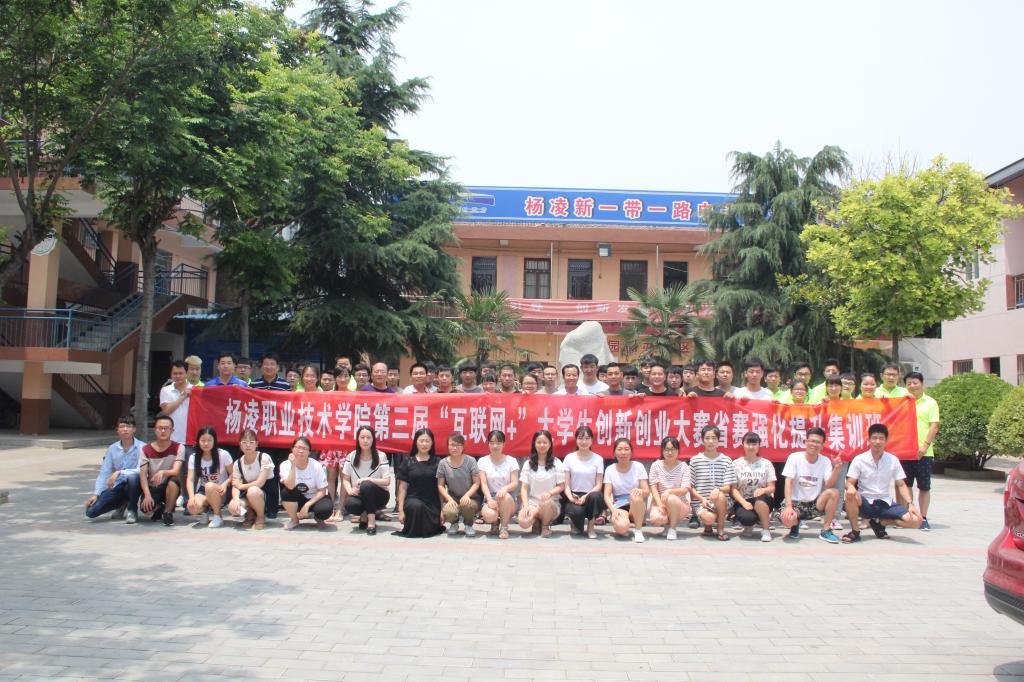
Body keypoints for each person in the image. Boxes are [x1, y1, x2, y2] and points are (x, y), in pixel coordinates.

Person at [843, 423, 924, 542]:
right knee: (850, 495)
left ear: (886, 441)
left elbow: (901, 484)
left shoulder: (893, 460)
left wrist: (910, 504)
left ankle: (881, 523)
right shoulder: (859, 459)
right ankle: (855, 531)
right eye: (874, 438)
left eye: (881, 438)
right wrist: (850, 487)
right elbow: (849, 482)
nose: (877, 441)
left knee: (916, 521)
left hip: (885, 503)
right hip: (865, 502)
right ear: (869, 440)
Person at [780, 427, 843, 543]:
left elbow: (829, 484)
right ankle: (795, 525)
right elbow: (788, 482)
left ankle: (825, 530)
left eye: (818, 442)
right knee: (787, 520)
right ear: (806, 442)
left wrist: (837, 469)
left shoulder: (825, 461)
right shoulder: (794, 457)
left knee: (834, 492)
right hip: (795, 503)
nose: (814, 444)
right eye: (812, 441)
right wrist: (788, 506)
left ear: (822, 445)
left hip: (814, 504)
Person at [85, 415, 145, 523]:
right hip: (118, 486)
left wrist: (119, 472)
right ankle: (122, 503)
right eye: (122, 427)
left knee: (132, 478)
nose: (125, 429)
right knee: (91, 511)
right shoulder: (112, 449)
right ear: (117, 430)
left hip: (137, 485)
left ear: (134, 429)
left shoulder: (142, 447)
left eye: (128, 426)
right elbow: (104, 472)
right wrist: (96, 494)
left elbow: (142, 470)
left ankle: (132, 510)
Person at [904, 371, 939, 530]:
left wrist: (925, 446)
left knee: (924, 486)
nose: (912, 386)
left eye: (915, 383)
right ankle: (910, 516)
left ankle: (923, 517)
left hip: (924, 453)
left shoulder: (930, 403)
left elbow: (934, 426)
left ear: (922, 383)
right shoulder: (902, 401)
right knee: (906, 485)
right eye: (909, 383)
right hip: (905, 451)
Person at [689, 425, 737, 541]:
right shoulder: (695, 460)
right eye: (707, 438)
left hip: (722, 502)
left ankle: (720, 528)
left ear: (718, 440)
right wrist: (702, 500)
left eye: (714, 438)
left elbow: (728, 488)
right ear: (702, 440)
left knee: (719, 495)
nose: (711, 441)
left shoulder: (726, 460)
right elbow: (690, 488)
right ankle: (708, 526)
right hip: (701, 503)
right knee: (709, 518)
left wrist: (718, 490)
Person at [341, 426, 392, 535]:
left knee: (366, 485)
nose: (365, 440)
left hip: (380, 495)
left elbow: (387, 481)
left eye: (368, 437)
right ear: (358, 439)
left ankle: (371, 522)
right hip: (359, 494)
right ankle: (364, 514)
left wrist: (369, 479)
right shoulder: (351, 456)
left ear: (373, 439)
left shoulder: (381, 456)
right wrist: (350, 490)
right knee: (350, 504)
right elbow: (345, 479)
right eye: (362, 437)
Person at [395, 428, 444, 538]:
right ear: (416, 442)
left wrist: (442, 509)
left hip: (432, 503)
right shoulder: (407, 461)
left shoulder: (438, 462)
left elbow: (440, 487)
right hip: (413, 499)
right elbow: (402, 487)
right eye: (421, 441)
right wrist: (401, 510)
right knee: (416, 506)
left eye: (427, 441)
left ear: (432, 443)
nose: (424, 444)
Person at [138, 413, 185, 526]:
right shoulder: (145, 449)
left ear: (172, 430)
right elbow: (143, 475)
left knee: (174, 481)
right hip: (153, 486)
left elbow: (176, 471)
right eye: (160, 428)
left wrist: (163, 472)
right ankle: (159, 507)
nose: (163, 431)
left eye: (166, 428)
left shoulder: (179, 447)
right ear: (155, 430)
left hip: (170, 485)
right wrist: (147, 495)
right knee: (146, 510)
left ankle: (168, 512)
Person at [518, 430, 565, 538]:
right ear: (534, 444)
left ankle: (545, 525)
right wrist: (526, 506)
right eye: (539, 442)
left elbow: (561, 486)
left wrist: (550, 493)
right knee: (523, 522)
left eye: (545, 442)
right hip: (533, 502)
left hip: (551, 503)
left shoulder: (557, 463)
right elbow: (524, 488)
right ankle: (537, 519)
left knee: (546, 502)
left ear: (550, 444)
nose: (542, 445)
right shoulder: (528, 463)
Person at [730, 432, 776, 542]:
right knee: (747, 518)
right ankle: (749, 525)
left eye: (754, 444)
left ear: (759, 445)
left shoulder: (766, 463)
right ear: (743, 444)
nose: (751, 447)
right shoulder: (735, 464)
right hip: (744, 500)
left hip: (762, 499)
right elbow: (734, 489)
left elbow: (772, 488)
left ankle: (766, 530)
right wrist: (743, 503)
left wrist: (763, 490)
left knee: (760, 502)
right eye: (748, 444)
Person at [184, 427, 234, 527]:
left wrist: (225, 484)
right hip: (204, 490)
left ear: (214, 441)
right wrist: (191, 497)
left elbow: (234, 474)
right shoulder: (193, 457)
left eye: (209, 440)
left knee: (210, 486)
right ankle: (205, 511)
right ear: (198, 441)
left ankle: (218, 516)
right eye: (203, 440)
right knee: (192, 508)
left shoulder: (223, 454)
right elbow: (190, 479)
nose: (206, 443)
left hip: (222, 490)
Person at [562, 426, 606, 538]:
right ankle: (576, 523)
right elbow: (566, 485)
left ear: (592, 440)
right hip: (574, 496)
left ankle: (591, 527)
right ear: (576, 440)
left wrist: (586, 496)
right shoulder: (569, 458)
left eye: (587, 438)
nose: (584, 442)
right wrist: (571, 498)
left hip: (590, 495)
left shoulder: (598, 459)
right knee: (577, 517)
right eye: (580, 438)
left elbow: (599, 485)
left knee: (596, 496)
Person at [279, 436, 332, 530]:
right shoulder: (285, 465)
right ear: (292, 449)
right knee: (285, 493)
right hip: (298, 497)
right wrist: (293, 465)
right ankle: (294, 520)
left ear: (309, 452)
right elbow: (290, 486)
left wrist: (307, 505)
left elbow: (322, 491)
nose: (301, 451)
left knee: (324, 509)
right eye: (298, 447)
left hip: (315, 497)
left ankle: (318, 518)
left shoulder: (316, 465)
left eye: (304, 448)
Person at [603, 438, 650, 543]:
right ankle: (626, 523)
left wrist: (640, 491)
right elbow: (606, 495)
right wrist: (613, 510)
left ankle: (638, 531)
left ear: (631, 452)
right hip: (620, 505)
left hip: (636, 504)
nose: (623, 453)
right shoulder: (610, 469)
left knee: (635, 495)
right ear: (614, 453)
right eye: (619, 449)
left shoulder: (638, 466)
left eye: (626, 449)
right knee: (622, 528)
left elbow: (647, 491)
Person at [227, 429, 275, 530]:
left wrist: (241, 486)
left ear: (256, 444)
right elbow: (235, 485)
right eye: (244, 442)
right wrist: (236, 499)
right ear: (240, 445)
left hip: (265, 495)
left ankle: (261, 516)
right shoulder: (237, 463)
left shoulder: (264, 457)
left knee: (253, 491)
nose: (248, 445)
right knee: (232, 507)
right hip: (248, 495)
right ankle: (250, 513)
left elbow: (260, 483)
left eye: (251, 442)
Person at [436, 433, 481, 536]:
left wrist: (467, 495)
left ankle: (468, 525)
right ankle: (454, 524)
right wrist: (449, 499)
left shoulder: (471, 461)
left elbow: (476, 483)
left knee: (467, 505)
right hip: (453, 498)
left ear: (463, 446)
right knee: (449, 511)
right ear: (448, 446)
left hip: (471, 498)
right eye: (452, 445)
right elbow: (440, 485)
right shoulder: (443, 463)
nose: (455, 448)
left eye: (458, 445)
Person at [647, 437, 691, 541]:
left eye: (673, 449)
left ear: (678, 450)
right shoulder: (656, 465)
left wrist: (669, 491)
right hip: (660, 502)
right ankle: (667, 525)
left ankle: (672, 528)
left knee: (671, 498)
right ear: (662, 451)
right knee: (657, 518)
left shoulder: (684, 466)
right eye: (667, 449)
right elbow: (653, 488)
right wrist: (659, 505)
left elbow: (685, 489)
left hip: (679, 504)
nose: (670, 452)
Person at [478, 430, 519, 539]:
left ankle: (504, 527)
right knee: (490, 515)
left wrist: (504, 489)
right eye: (492, 443)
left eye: (498, 443)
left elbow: (515, 483)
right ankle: (494, 522)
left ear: (504, 444)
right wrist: (489, 499)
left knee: (505, 497)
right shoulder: (482, 461)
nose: (495, 446)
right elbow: (484, 484)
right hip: (490, 496)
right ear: (488, 444)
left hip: (508, 498)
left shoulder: (512, 461)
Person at [158, 360, 192, 444]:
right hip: (171, 437)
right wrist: (183, 397)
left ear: (187, 374)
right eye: (175, 373)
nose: (178, 376)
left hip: (190, 437)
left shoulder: (194, 389)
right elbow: (166, 411)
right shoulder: (165, 390)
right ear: (171, 374)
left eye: (181, 373)